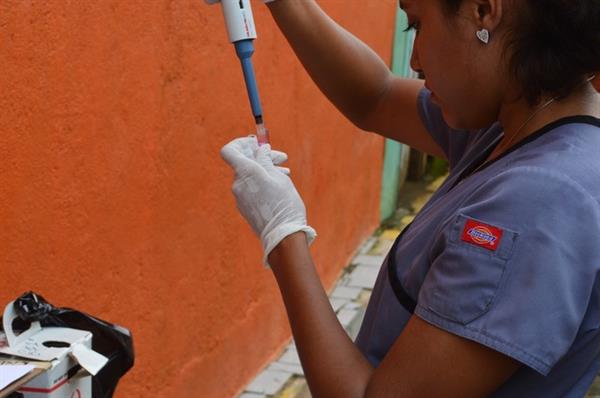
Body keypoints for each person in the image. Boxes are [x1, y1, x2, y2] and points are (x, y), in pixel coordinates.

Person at [220, 0, 600, 396]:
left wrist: (283, 234)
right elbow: (376, 97)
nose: (414, 61)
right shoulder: (520, 122)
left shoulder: (539, 203)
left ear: (484, 11)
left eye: (415, 25)